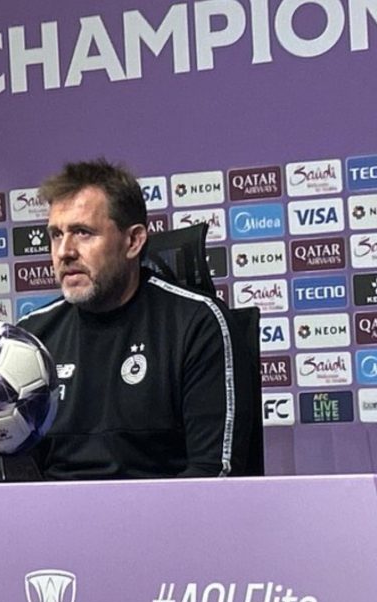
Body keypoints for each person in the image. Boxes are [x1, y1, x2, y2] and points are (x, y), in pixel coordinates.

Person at [18, 159, 249, 480]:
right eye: (56, 235)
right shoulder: (30, 338)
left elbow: (213, 472)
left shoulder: (197, 324)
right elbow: (13, 473)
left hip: (165, 510)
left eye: (83, 233)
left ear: (133, 241)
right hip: (53, 511)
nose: (64, 252)